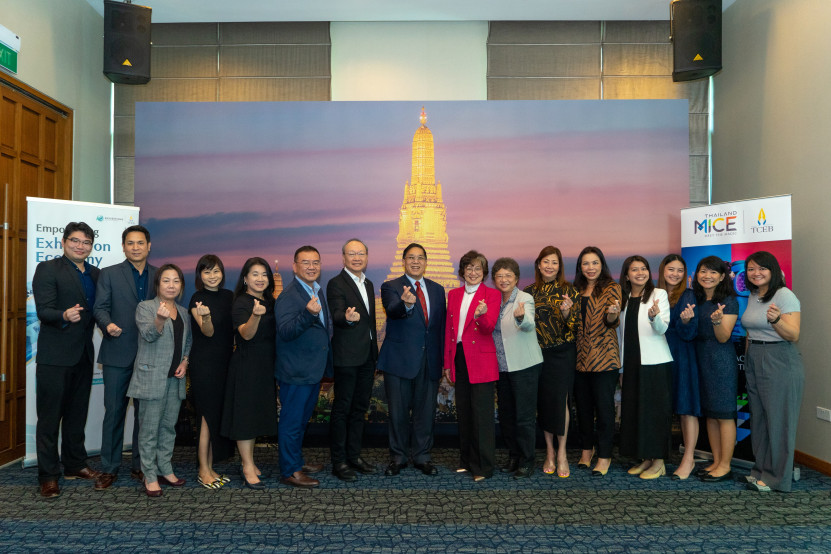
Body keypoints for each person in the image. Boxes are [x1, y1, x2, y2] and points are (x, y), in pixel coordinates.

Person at [32, 222, 103, 498]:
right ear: (63, 242)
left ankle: (75, 464)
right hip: (55, 356)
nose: (80, 246)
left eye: (86, 242)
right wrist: (64, 315)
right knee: (50, 419)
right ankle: (48, 475)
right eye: (75, 240)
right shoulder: (48, 269)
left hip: (84, 355)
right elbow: (43, 310)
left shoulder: (96, 274)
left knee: (77, 415)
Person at [93, 225, 157, 490]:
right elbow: (99, 308)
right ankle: (108, 468)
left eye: (140, 243)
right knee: (115, 412)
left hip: (150, 355)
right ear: (123, 246)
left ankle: (141, 467)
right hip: (117, 351)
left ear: (149, 246)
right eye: (130, 243)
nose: (135, 247)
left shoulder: (159, 275)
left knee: (146, 415)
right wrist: (107, 325)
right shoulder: (109, 274)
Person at [378, 243, 446, 476]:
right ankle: (397, 457)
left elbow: (439, 328)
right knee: (397, 413)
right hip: (399, 361)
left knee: (425, 412)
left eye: (420, 258)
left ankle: (422, 456)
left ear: (426, 262)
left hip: (430, 360)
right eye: (411, 258)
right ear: (404, 261)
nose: (416, 262)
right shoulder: (391, 286)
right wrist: (406, 304)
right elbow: (392, 310)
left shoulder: (438, 290)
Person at [741, 251, 803, 492]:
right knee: (759, 419)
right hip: (755, 356)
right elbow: (750, 330)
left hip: (779, 358)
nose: (756, 273)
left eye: (762, 268)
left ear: (773, 270)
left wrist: (777, 320)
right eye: (751, 269)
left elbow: (794, 334)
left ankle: (776, 477)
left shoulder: (784, 295)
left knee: (779, 421)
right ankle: (761, 471)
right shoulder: (753, 294)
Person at [127, 264, 191, 497]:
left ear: (181, 285)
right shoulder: (146, 307)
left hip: (174, 381)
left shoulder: (184, 312)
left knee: (168, 428)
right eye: (166, 280)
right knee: (149, 430)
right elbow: (149, 335)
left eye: (176, 281)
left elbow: (188, 342)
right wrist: (159, 320)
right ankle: (150, 475)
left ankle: (165, 468)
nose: (171, 285)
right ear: (158, 284)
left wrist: (185, 361)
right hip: (151, 378)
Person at [274, 246, 333, 488]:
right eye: (305, 262)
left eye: (315, 262)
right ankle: (290, 470)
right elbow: (286, 331)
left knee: (301, 421)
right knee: (291, 422)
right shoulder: (289, 295)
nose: (311, 266)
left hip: (310, 370)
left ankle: (296, 461)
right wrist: (308, 315)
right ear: (295, 266)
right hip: (295, 370)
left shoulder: (315, 290)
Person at [220, 257, 278, 490]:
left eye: (264, 274)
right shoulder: (242, 302)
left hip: (265, 365)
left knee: (254, 415)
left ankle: (250, 462)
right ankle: (246, 466)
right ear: (245, 278)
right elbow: (245, 334)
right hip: (246, 365)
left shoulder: (270, 301)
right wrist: (255, 315)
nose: (260, 278)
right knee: (245, 417)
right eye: (255, 274)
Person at [443, 251, 500, 482]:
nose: (473, 273)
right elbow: (450, 331)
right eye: (469, 268)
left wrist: (481, 315)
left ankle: (483, 467)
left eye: (478, 269)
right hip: (459, 358)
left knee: (482, 416)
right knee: (464, 412)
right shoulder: (454, 294)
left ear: (484, 273)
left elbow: (488, 328)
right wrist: (448, 363)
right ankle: (466, 461)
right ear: (462, 271)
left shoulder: (492, 295)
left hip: (482, 359)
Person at [523, 246, 579, 478]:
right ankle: (549, 452)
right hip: (536, 354)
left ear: (560, 266)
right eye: (546, 261)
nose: (549, 266)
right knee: (544, 402)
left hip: (563, 353)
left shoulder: (569, 291)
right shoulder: (528, 292)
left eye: (554, 262)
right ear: (538, 264)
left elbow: (576, 326)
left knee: (561, 402)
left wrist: (566, 313)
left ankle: (563, 453)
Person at [326, 239, 379, 481]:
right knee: (342, 408)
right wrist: (346, 318)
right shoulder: (336, 283)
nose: (356, 258)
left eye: (361, 254)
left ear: (366, 257)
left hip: (367, 356)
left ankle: (354, 456)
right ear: (343, 257)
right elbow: (337, 312)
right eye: (351, 254)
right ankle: (339, 461)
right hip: (347, 357)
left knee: (359, 408)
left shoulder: (368, 284)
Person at [617, 256, 673, 480]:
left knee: (654, 414)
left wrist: (654, 317)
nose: (640, 273)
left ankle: (659, 462)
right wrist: (621, 367)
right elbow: (621, 335)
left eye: (644, 268)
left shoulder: (659, 294)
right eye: (634, 269)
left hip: (655, 363)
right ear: (627, 275)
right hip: (630, 363)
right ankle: (646, 459)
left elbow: (662, 329)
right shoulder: (624, 298)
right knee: (637, 413)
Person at [491, 257, 543, 479]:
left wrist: (521, 317)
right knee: (506, 416)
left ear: (516, 279)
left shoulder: (525, 298)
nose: (504, 280)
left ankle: (527, 460)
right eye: (500, 276)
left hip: (524, 366)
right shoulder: (493, 300)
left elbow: (530, 323)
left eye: (508, 276)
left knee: (524, 417)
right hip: (501, 367)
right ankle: (514, 456)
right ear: (494, 279)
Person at [573, 246, 621, 477]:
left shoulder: (612, 288)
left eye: (594, 263)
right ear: (580, 267)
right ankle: (586, 450)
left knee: (604, 410)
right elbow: (570, 323)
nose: (590, 268)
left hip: (604, 358)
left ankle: (604, 456)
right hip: (579, 359)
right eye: (585, 263)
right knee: (582, 409)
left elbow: (612, 320)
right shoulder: (575, 289)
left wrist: (612, 314)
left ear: (601, 264)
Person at [188, 254, 235, 489]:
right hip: (204, 365)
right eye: (207, 272)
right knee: (205, 417)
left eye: (216, 271)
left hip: (225, 364)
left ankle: (210, 466)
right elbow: (207, 332)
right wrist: (205, 317)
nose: (212, 276)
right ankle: (203, 470)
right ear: (200, 275)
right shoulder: (197, 299)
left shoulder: (229, 297)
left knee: (214, 417)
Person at [692, 255, 739, 482]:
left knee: (724, 414)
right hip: (700, 360)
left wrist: (718, 321)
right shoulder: (696, 299)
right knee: (710, 414)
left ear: (722, 277)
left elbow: (723, 338)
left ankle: (726, 465)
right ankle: (717, 461)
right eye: (703, 271)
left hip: (721, 361)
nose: (707, 276)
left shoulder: (728, 300)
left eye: (713, 272)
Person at [657, 254, 700, 480]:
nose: (675, 274)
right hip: (659, 356)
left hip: (682, 354)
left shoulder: (688, 295)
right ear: (663, 271)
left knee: (685, 408)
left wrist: (684, 322)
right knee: (662, 408)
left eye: (680, 270)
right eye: (671, 269)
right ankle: (657, 457)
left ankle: (689, 458)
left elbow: (690, 333)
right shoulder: (655, 294)